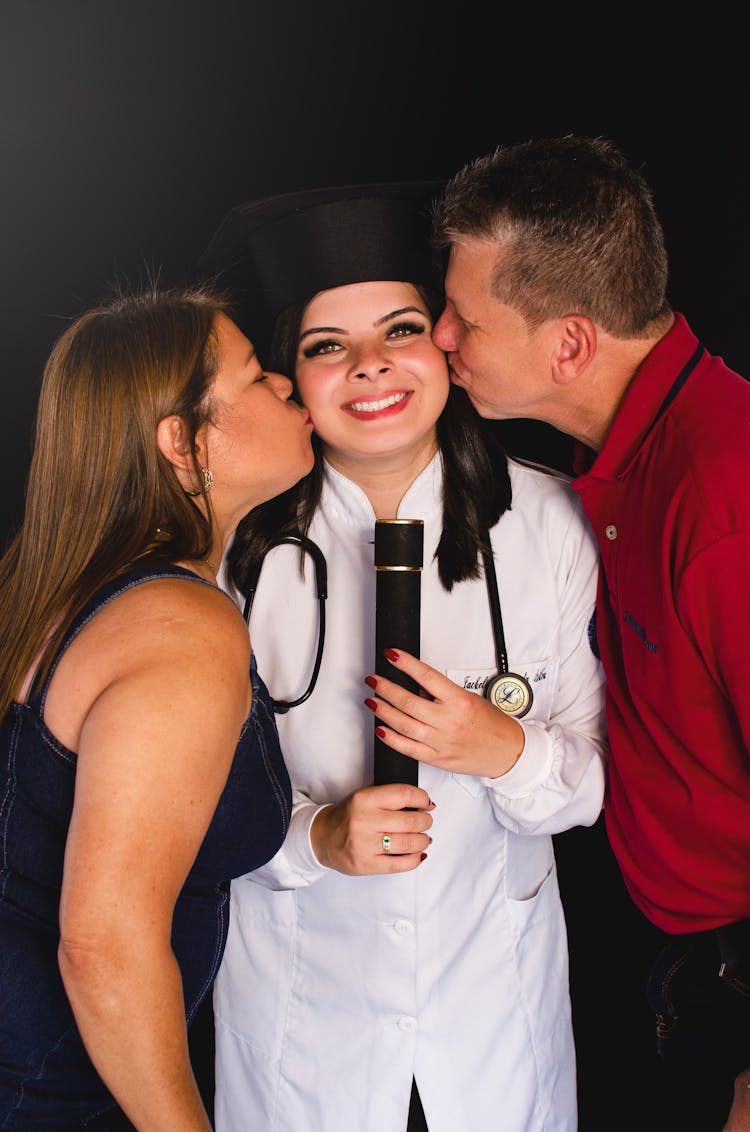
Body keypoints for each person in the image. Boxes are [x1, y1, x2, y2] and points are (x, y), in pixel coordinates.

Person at [198, 184, 607, 1131]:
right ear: (290, 381)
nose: (371, 368)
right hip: (305, 1032)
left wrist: (503, 748)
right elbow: (192, 814)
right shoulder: (234, 550)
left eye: (402, 329)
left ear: (447, 345)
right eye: (327, 346)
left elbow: (591, 788)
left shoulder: (552, 519)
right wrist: (316, 839)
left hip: (495, 1023)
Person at [429, 133, 750, 1132]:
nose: (441, 335)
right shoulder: (616, 456)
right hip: (682, 969)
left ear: (567, 344)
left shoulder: (724, 501)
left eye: (464, 318)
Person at [0, 284, 314, 1129]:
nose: (286, 385)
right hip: (54, 1097)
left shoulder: (47, 590)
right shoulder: (181, 626)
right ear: (183, 443)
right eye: (255, 376)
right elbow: (104, 943)